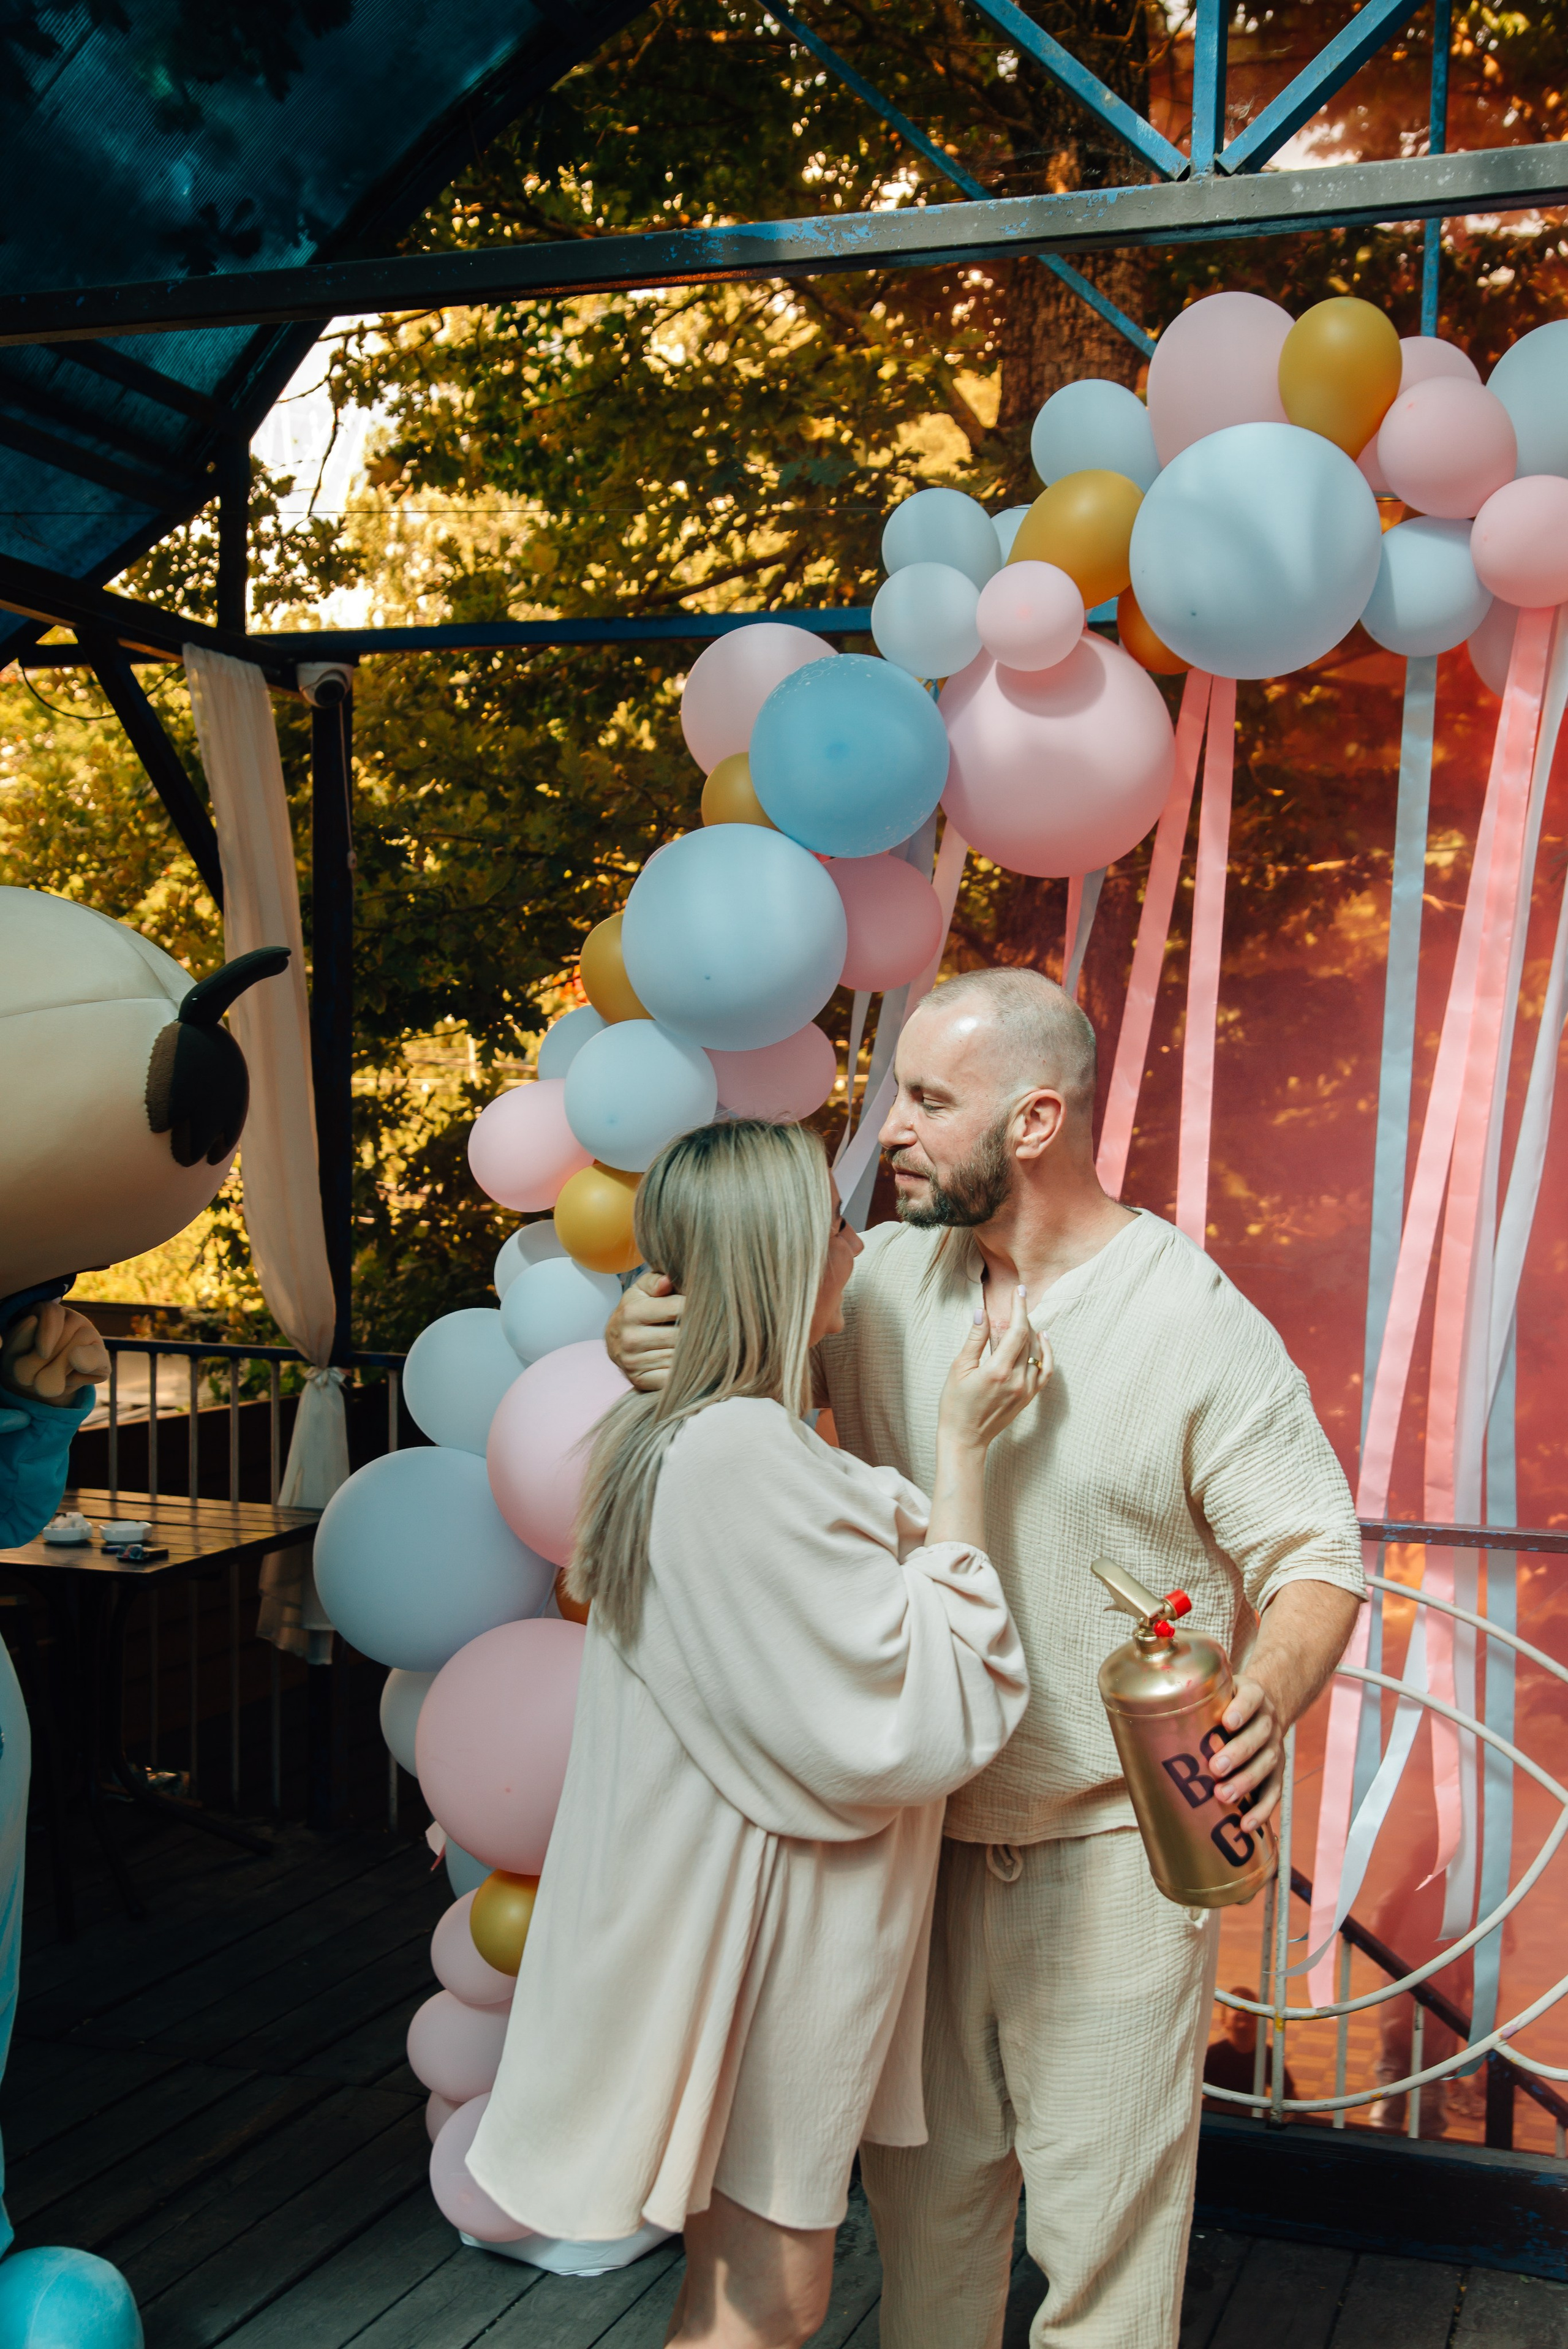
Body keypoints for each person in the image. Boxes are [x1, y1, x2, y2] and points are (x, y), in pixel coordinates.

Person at [609, 967, 1365, 2349]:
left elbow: (1315, 1555)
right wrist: (638, 1335)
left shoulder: (1190, 1319)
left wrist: (1268, 1687)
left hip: (1117, 1858)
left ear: (1031, 1121)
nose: (885, 1130)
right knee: (924, 2227)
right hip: (907, 1850)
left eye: (925, 1100)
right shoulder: (879, 1281)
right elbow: (732, 1403)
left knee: (1100, 2250)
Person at [469, 1117, 1039, 2349]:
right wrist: (964, 1455)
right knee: (770, 2299)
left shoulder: (695, 1433)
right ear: (782, 1260)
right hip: (768, 1941)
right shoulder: (734, 1453)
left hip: (735, 1924)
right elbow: (907, 1720)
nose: (856, 1245)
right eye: (833, 1229)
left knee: (736, 2285)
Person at [1201, 1988, 1297, 2110]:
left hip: (1253, 2118)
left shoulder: (1267, 2055)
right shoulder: (1213, 2054)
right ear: (1224, 2021)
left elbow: (1290, 2098)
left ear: (1259, 2021)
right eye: (1236, 2007)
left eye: (1250, 2007)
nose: (1244, 2011)